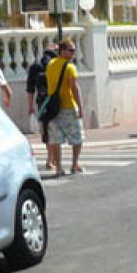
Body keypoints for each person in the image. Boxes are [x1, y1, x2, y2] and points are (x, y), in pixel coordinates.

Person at [45, 39, 84, 175]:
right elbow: (74, 88)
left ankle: (59, 168)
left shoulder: (50, 64)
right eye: (70, 50)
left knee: (56, 139)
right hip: (68, 106)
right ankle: (74, 164)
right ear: (62, 51)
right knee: (77, 136)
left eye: (73, 50)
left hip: (53, 107)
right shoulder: (70, 67)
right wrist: (80, 106)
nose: (73, 53)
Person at [26, 40, 57, 170]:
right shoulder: (58, 64)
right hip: (57, 101)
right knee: (55, 130)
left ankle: (51, 158)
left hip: (43, 102)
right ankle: (52, 158)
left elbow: (30, 89)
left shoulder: (35, 66)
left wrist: (30, 106)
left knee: (46, 130)